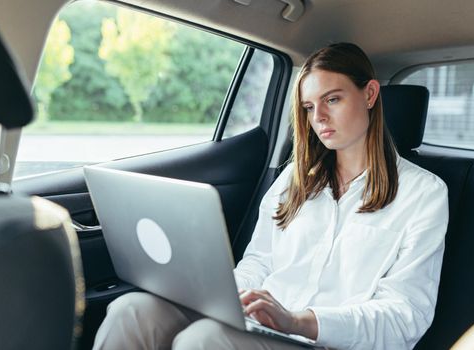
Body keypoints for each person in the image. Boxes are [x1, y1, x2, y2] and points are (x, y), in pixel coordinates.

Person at [92, 42, 448, 350]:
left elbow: (405, 316)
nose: (319, 117)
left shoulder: (423, 195)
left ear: (370, 94)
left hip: (326, 340)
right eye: (309, 107)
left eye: (333, 99)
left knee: (204, 340)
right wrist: (218, 296)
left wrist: (299, 320)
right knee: (133, 310)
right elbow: (259, 263)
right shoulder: (294, 179)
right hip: (264, 326)